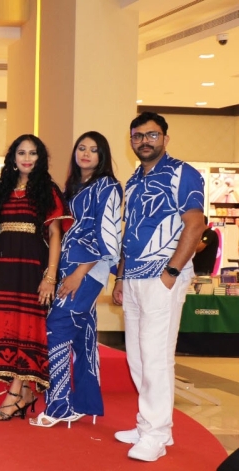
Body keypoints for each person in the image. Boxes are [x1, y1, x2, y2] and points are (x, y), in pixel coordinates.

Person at [113, 112, 205, 462]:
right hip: (135, 278)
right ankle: (148, 423)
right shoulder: (134, 180)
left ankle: (155, 434)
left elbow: (195, 225)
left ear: (165, 138)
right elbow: (129, 233)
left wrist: (171, 272)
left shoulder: (183, 173)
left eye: (152, 135)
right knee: (137, 358)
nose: (144, 141)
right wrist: (121, 278)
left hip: (162, 278)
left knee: (155, 357)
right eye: (138, 136)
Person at [29, 131, 122, 428]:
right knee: (83, 335)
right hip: (68, 269)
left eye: (94, 150)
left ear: (102, 156)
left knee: (57, 326)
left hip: (87, 271)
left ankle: (59, 406)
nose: (86, 154)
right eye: (82, 148)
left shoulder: (107, 186)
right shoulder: (72, 188)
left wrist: (80, 273)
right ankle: (85, 403)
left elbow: (105, 232)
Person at [0, 134, 66, 421]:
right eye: (22, 153)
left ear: (40, 157)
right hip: (7, 273)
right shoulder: (1, 191)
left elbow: (55, 235)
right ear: (13, 158)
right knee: (9, 329)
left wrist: (50, 276)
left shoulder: (48, 191)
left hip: (34, 272)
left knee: (26, 330)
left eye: (33, 153)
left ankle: (16, 394)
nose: (27, 158)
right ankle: (25, 392)